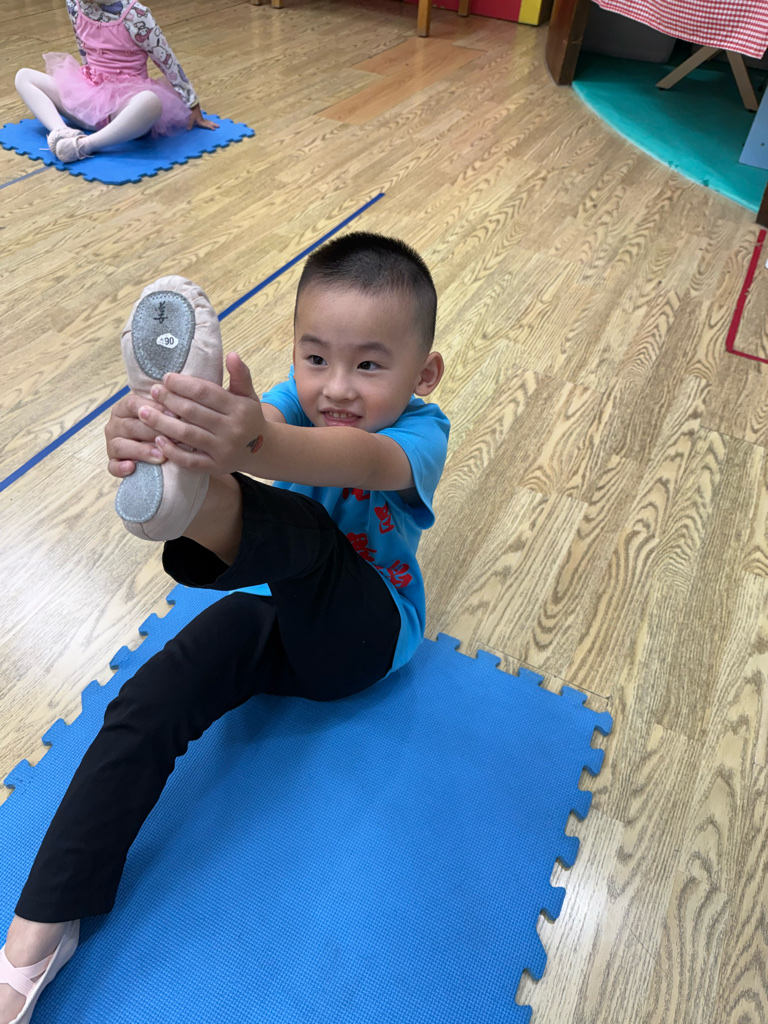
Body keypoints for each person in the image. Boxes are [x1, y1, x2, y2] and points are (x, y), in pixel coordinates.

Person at [0, 232, 449, 1023]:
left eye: (369, 366)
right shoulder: (286, 404)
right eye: (315, 358)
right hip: (286, 617)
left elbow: (351, 459)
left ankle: (192, 501)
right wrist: (171, 429)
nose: (336, 388)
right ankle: (35, 934)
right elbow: (262, 425)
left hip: (368, 637)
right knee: (150, 695)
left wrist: (251, 443)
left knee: (308, 536)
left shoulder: (421, 433)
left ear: (423, 374)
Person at [14, 0, 217, 164]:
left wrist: (192, 103)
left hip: (122, 110)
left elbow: (166, 59)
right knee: (23, 76)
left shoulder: (136, 14)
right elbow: (83, 46)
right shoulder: (74, 4)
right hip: (86, 100)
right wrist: (86, 89)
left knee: (150, 101)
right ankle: (62, 132)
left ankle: (84, 145)